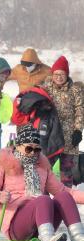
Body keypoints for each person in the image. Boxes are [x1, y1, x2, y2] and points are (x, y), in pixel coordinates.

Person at [0, 125, 84, 241]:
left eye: (37, 150)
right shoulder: (5, 163)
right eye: (29, 148)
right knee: (43, 199)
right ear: (18, 145)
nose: (33, 153)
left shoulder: (42, 166)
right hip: (17, 224)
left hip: (43, 221)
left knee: (64, 196)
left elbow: (63, 191)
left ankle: (79, 238)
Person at [41, 56, 84, 187]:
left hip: (69, 137)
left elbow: (80, 111)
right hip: (51, 136)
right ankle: (43, 199)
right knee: (45, 168)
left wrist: (78, 130)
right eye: (56, 74)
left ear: (67, 75)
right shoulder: (46, 87)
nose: (59, 77)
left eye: (62, 74)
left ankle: (65, 199)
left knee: (66, 171)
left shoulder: (75, 90)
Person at [10, 86, 64, 164]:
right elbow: (16, 120)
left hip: (42, 154)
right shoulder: (25, 105)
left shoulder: (47, 113)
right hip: (29, 153)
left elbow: (53, 136)